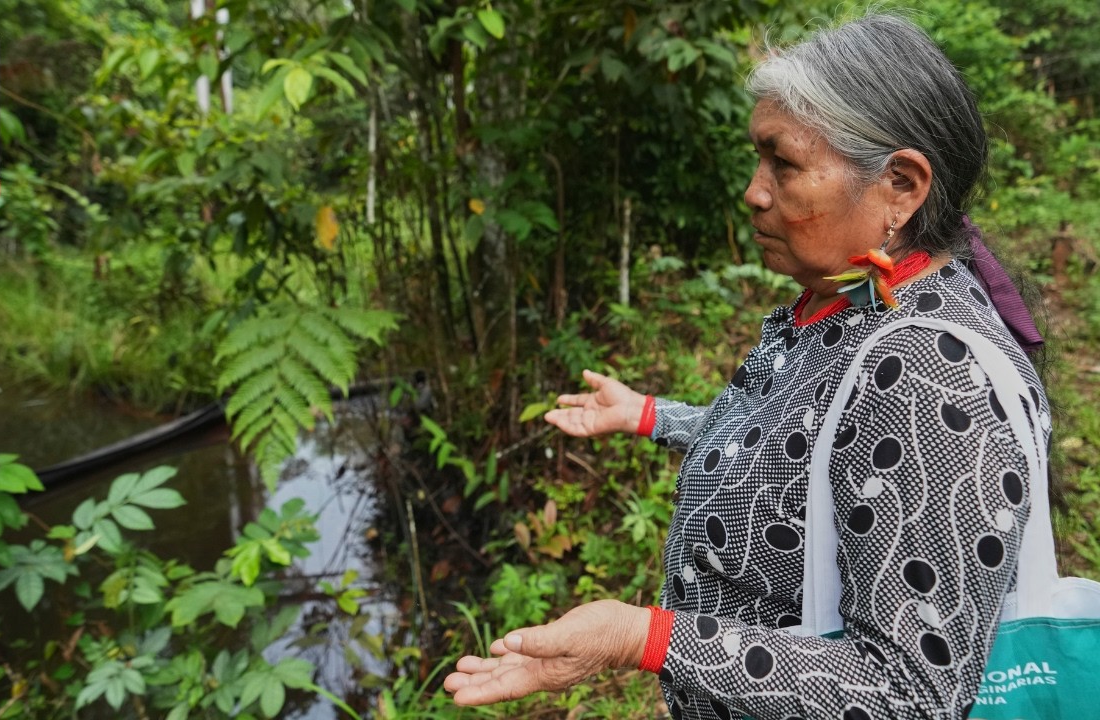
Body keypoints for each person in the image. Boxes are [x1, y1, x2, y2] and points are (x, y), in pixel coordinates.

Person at [443, 13, 1049, 720]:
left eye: (783, 163)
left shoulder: (927, 370)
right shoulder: (857, 300)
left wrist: (643, 637)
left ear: (901, 187)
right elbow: (804, 452)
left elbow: (907, 697)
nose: (755, 191)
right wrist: (650, 416)